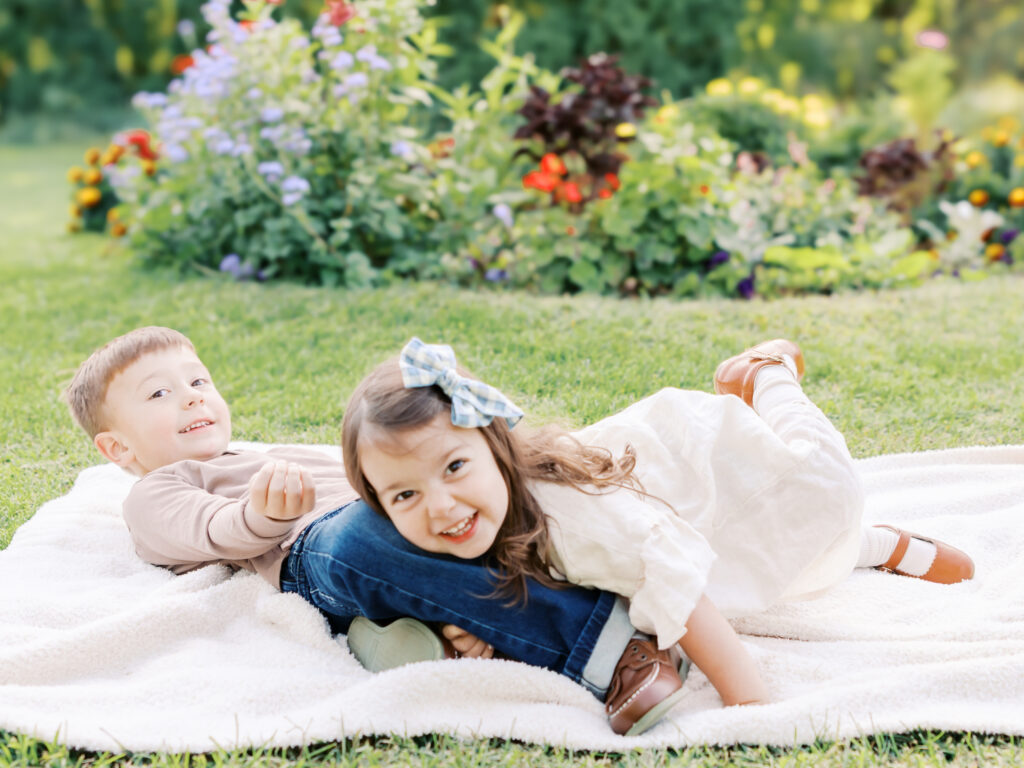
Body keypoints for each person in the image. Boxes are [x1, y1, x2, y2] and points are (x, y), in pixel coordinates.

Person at [64, 326, 687, 737]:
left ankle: (437, 625)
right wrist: (264, 517)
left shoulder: (259, 450)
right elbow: (206, 531)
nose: (192, 399)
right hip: (316, 553)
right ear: (117, 446)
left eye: (198, 382)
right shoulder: (157, 489)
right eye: (160, 394)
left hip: (402, 512)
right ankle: (607, 645)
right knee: (362, 541)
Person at [341, 337, 975, 711]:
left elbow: (687, 598)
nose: (440, 506)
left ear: (494, 446)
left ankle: (765, 377)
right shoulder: (457, 519)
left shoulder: (579, 523)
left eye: (454, 466)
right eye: (403, 495)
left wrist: (750, 706)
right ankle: (867, 547)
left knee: (823, 489)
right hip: (673, 516)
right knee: (768, 567)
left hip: (710, 468)